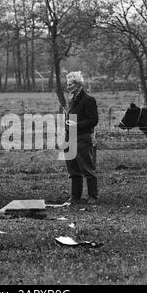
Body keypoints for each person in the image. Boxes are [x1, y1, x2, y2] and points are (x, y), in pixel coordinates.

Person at [64, 71, 99, 204]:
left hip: (82, 138)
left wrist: (76, 125)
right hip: (70, 138)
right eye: (67, 84)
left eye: (71, 84)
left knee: (87, 168)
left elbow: (94, 120)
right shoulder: (72, 99)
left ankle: (92, 197)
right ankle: (75, 197)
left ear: (79, 84)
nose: (68, 87)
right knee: (72, 170)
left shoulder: (88, 100)